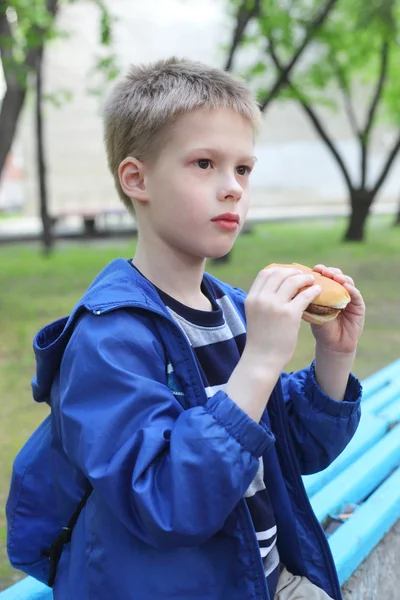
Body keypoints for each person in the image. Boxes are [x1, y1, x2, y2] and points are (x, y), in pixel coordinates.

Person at [32, 57, 365, 600]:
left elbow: (296, 451)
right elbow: (165, 502)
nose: (233, 187)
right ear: (136, 178)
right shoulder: (109, 339)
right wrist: (258, 363)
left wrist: (334, 357)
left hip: (268, 579)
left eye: (244, 169)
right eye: (205, 163)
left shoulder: (234, 311)